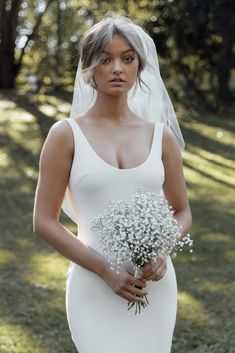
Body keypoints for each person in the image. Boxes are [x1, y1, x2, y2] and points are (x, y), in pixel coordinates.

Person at [33, 13, 192, 353]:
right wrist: (106, 270)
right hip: (93, 283)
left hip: (154, 286)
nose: (117, 68)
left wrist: (161, 251)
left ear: (139, 66)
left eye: (127, 58)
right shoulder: (66, 135)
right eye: (105, 59)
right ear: (89, 69)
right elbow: (44, 222)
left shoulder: (160, 138)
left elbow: (182, 211)